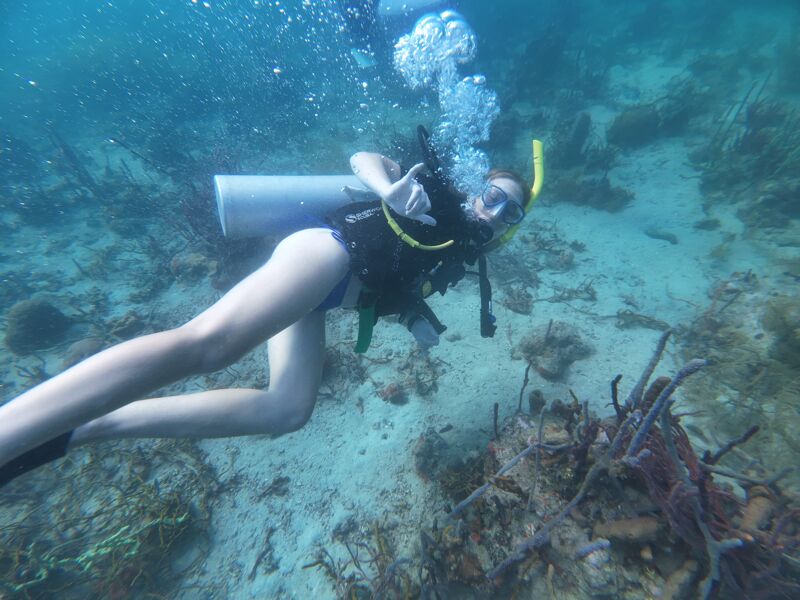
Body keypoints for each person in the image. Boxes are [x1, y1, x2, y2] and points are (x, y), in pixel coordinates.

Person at [0, 140, 532, 487]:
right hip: (327, 253)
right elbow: (366, 160)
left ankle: (84, 428)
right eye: (491, 194)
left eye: (510, 211)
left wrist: (412, 315)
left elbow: (397, 275)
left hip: (328, 293)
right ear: (474, 186)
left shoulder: (462, 252)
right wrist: (387, 185)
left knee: (287, 409)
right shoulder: (435, 192)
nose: (494, 211)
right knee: (210, 344)